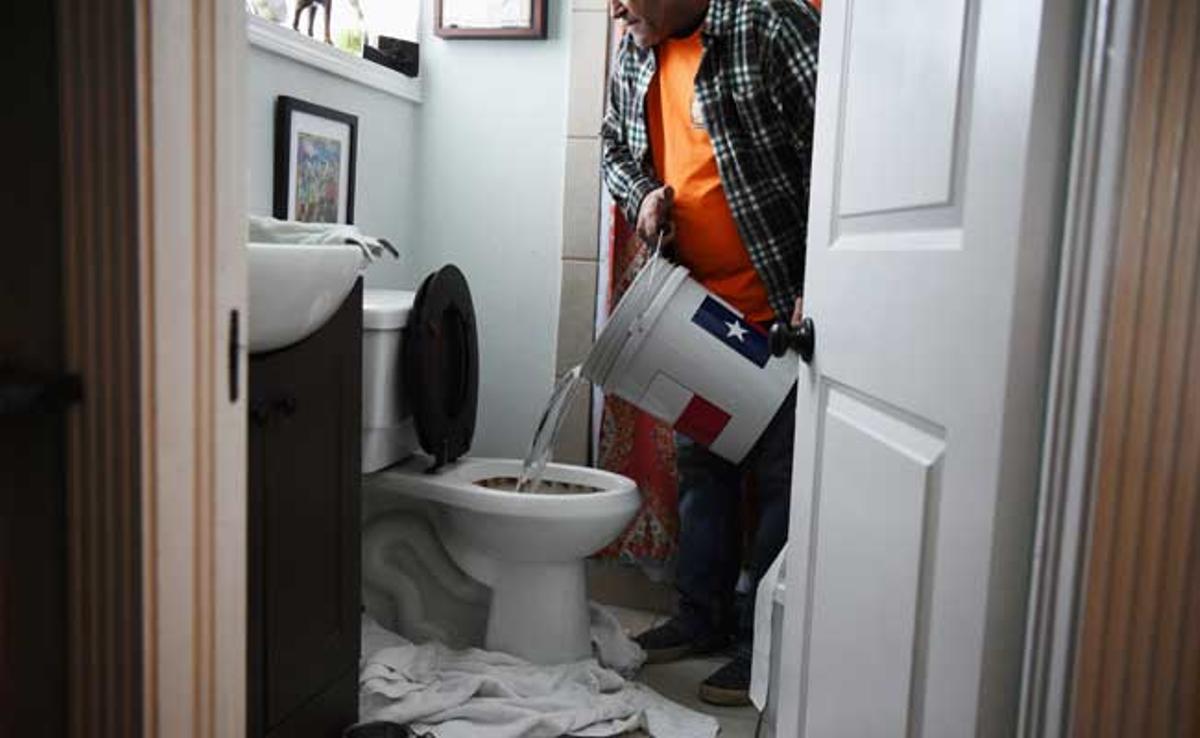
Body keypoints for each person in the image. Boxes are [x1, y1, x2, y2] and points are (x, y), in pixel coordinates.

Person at [600, 0, 819, 707]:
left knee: (788, 483)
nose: (615, 9)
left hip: (786, 307)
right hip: (697, 310)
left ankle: (762, 650)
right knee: (705, 473)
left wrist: (823, 283)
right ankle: (700, 618)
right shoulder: (639, 46)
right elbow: (613, 146)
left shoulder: (768, 24)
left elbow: (845, 154)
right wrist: (642, 198)